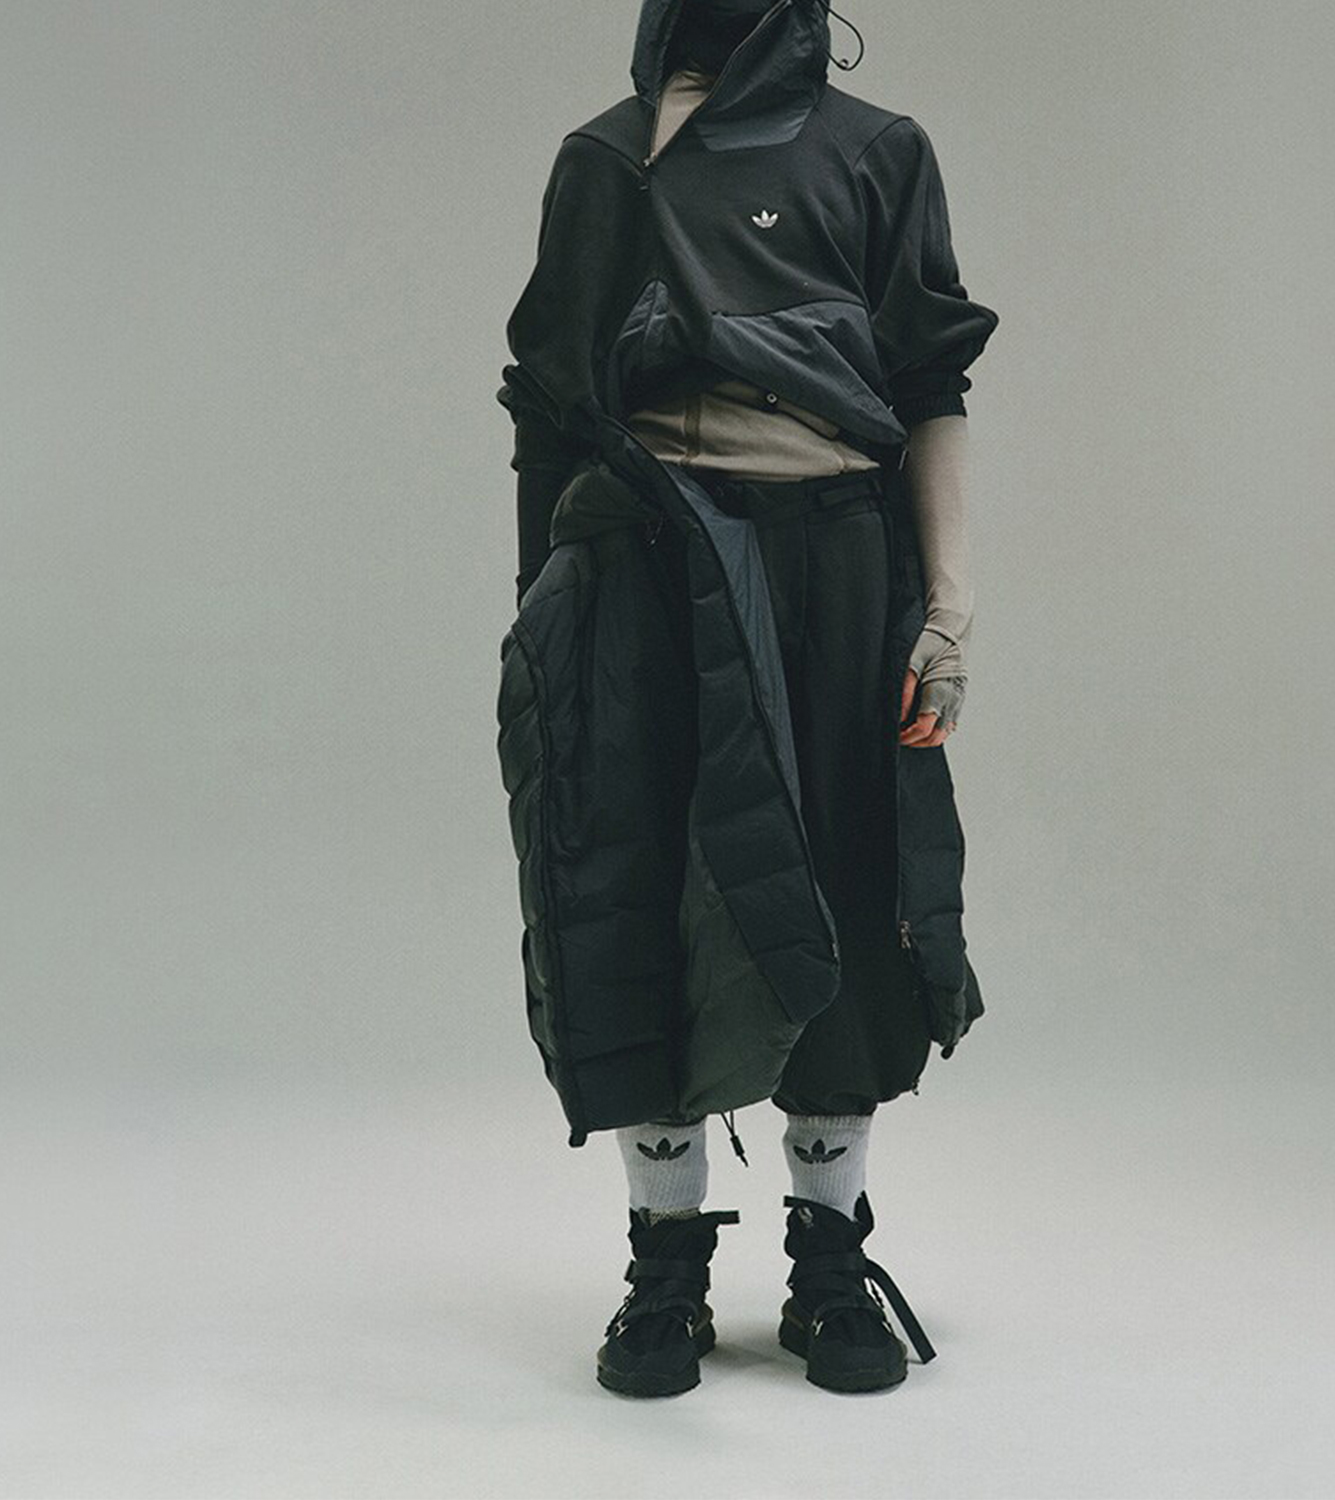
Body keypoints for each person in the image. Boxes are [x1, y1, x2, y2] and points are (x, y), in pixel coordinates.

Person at [494, 0, 999, 1398]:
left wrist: (947, 608)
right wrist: (543, 617)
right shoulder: (605, 159)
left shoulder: (876, 153)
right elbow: (549, 409)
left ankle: (829, 1261)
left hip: (835, 560)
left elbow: (929, 377)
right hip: (644, 559)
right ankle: (665, 1265)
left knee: (843, 883)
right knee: (640, 883)